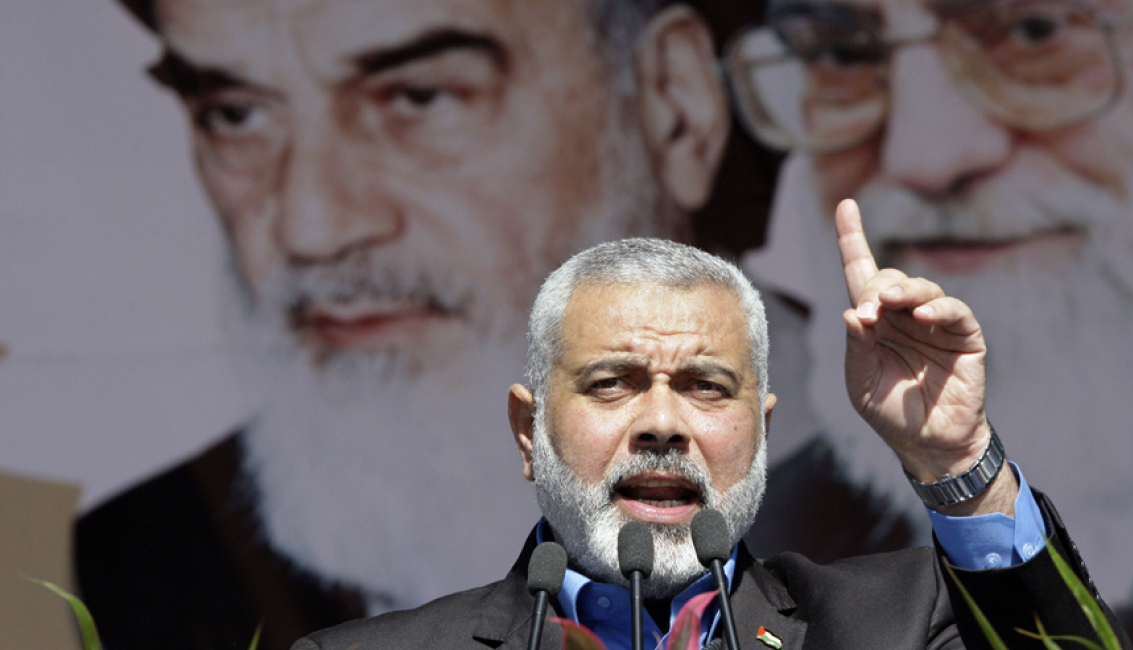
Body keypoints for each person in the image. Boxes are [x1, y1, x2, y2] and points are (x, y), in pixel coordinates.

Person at [76, 1, 740, 649]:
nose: (310, 226)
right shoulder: (151, 558)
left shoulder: (833, 554)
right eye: (236, 114)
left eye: (420, 98)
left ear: (674, 106)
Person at [721, 0, 1133, 646]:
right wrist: (959, 469)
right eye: (844, 54)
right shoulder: (762, 542)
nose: (927, 154)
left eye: (1033, 32)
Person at [293, 212, 1133, 650]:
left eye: (706, 387)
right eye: (613, 384)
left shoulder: (905, 625)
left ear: (760, 432)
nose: (663, 424)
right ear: (528, 430)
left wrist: (956, 460)